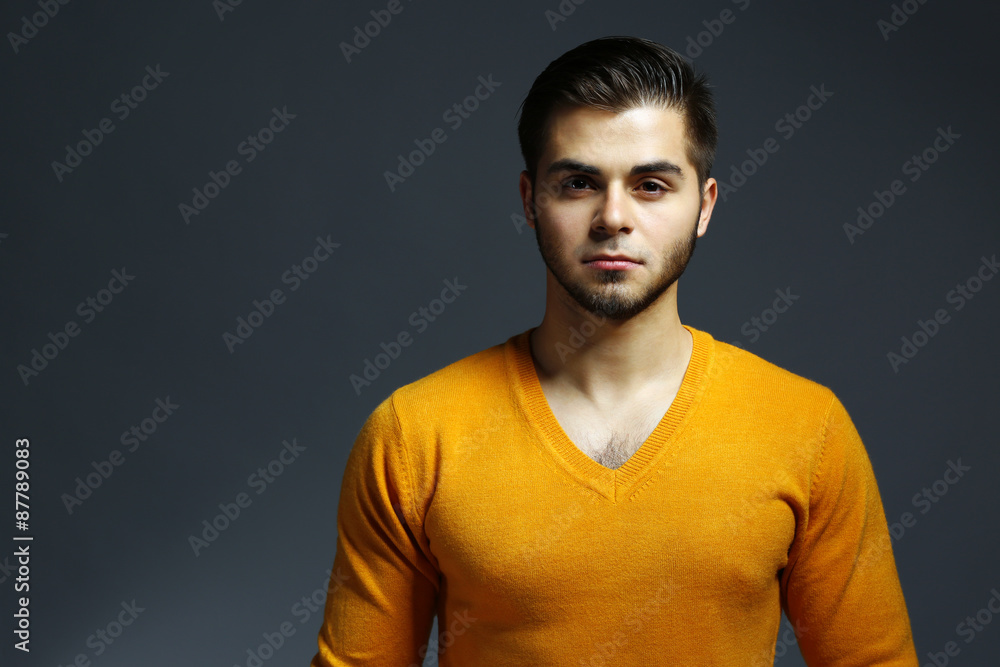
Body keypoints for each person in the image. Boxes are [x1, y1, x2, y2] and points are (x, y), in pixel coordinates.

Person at [310, 35, 918, 666]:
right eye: (578, 183)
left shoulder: (807, 429)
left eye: (651, 185)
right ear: (530, 201)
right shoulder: (413, 436)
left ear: (704, 206)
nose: (613, 218)